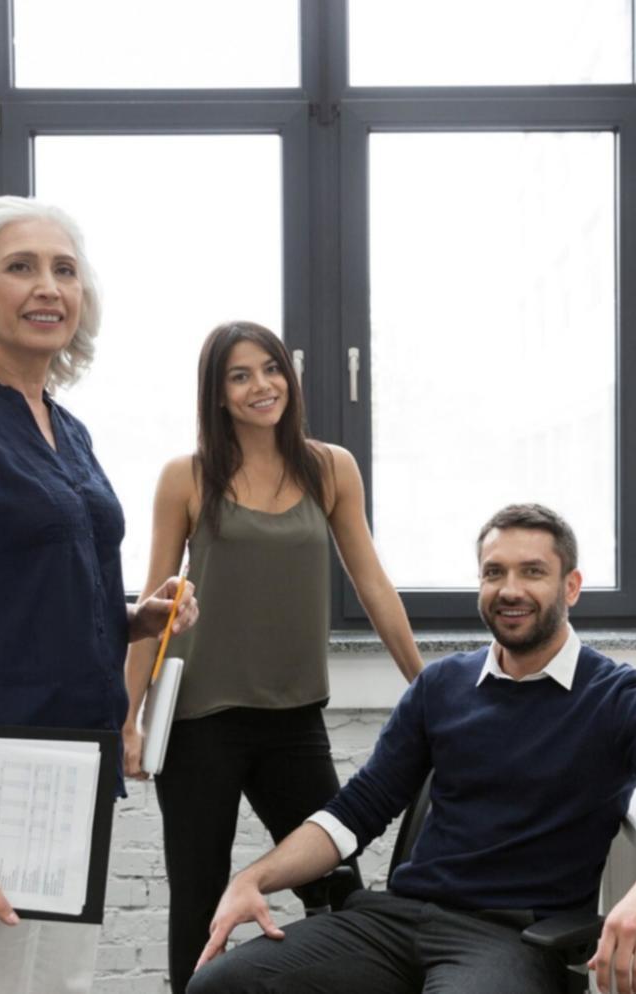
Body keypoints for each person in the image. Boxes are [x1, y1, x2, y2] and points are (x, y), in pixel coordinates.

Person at [188, 503, 636, 994]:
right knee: (220, 985)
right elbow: (353, 813)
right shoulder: (442, 686)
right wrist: (254, 879)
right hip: (393, 924)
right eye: (494, 572)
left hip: (509, 937)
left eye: (532, 571)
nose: (510, 589)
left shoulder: (619, 697)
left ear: (571, 587)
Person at [0, 196, 198, 994]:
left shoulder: (65, 426)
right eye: (21, 267)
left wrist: (127, 620)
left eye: (65, 270)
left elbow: (17, 598)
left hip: (69, 780)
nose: (48, 286)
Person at [122, 320, 425, 990]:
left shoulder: (331, 469)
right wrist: (129, 721)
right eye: (240, 375)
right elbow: (154, 605)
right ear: (218, 394)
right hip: (200, 722)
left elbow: (371, 582)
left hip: (294, 722)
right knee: (200, 907)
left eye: (271, 368)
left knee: (339, 892)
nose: (261, 385)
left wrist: (427, 687)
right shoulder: (187, 478)